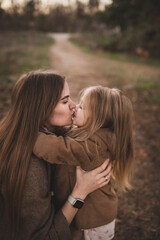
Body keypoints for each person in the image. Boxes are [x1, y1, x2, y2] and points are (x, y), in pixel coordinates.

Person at [0, 71, 112, 240]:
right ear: (41, 108)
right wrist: (80, 193)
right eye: (65, 101)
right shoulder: (31, 167)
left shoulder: (50, 136)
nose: (74, 106)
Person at [33, 86, 134, 240]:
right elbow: (65, 136)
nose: (75, 107)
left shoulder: (94, 146)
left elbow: (58, 148)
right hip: (87, 214)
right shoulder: (88, 134)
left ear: (97, 119)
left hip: (94, 220)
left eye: (82, 107)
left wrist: (28, 135)